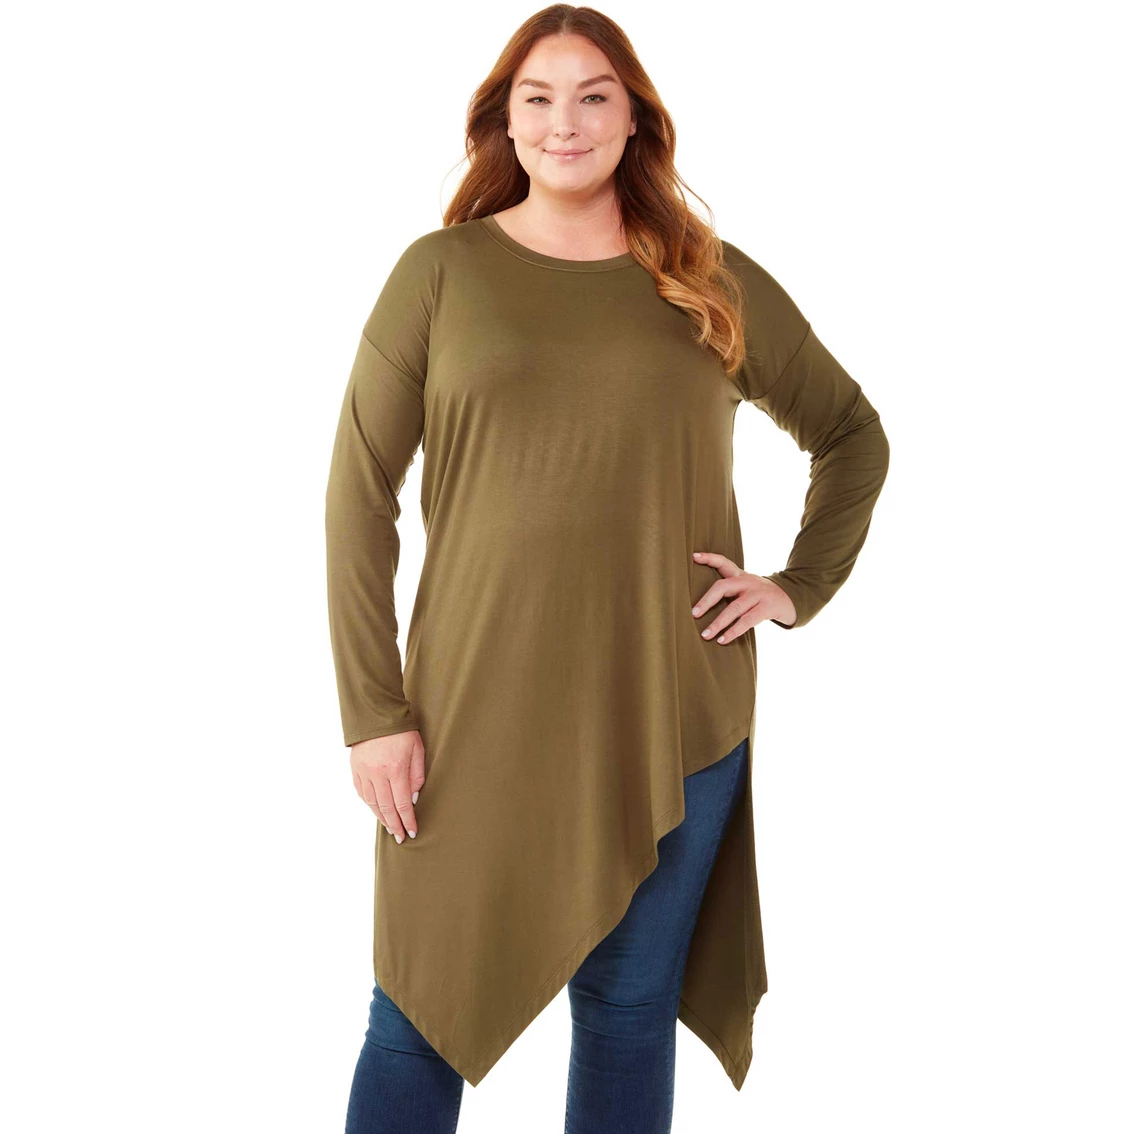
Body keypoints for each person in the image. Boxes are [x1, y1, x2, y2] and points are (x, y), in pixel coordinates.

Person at [326, 6, 890, 1132]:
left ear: (636, 120)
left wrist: (795, 586)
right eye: (537, 98)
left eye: (594, 97)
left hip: (670, 710)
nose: (565, 123)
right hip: (467, 716)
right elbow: (358, 496)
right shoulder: (440, 274)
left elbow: (851, 435)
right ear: (504, 121)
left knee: (630, 1013)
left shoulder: (707, 281)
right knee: (418, 1016)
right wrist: (372, 714)